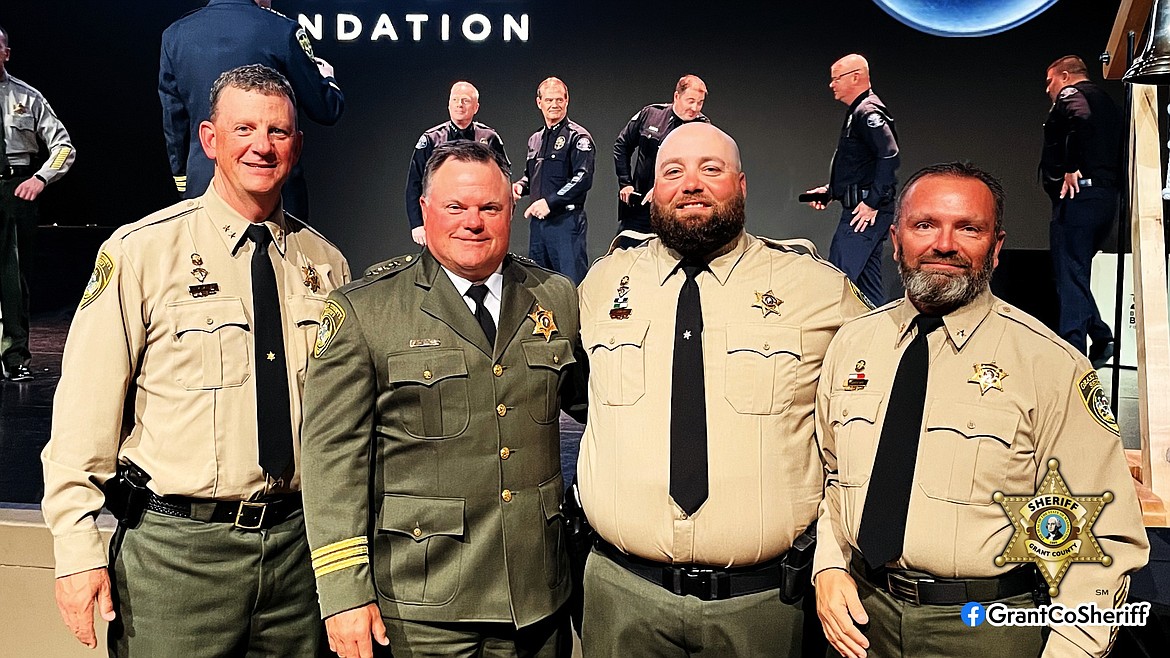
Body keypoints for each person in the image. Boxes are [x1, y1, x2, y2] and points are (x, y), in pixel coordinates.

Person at [42, 64, 351, 655]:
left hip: (298, 558)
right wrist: (76, 551)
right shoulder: (141, 252)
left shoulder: (328, 266)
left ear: (298, 145)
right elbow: (83, 415)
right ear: (209, 140)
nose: (262, 145)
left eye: (278, 132)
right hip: (177, 561)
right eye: (244, 129)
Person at [813, 162, 1148, 658]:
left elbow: (1101, 538)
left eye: (968, 228)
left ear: (995, 247)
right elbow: (834, 477)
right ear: (896, 238)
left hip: (984, 626)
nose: (944, 244)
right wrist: (829, 565)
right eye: (925, 225)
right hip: (862, 619)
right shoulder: (853, 344)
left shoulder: (1051, 366)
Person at [577, 122, 869, 657]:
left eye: (710, 170)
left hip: (762, 605)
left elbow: (865, 432)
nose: (692, 183)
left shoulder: (818, 290)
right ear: (652, 189)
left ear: (742, 185)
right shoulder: (600, 285)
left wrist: (832, 555)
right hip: (623, 598)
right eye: (673, 171)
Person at [302, 140, 586, 658]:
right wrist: (343, 594)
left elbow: (601, 410)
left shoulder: (557, 297)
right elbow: (331, 460)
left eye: (489, 208)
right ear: (426, 211)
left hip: (536, 596)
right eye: (455, 207)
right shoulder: (367, 310)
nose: (472, 222)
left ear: (511, 211)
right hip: (422, 606)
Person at [160, 0, 344, 220]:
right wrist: (328, 78)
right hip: (273, 187)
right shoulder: (282, 31)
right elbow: (326, 109)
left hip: (204, 184)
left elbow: (174, 122)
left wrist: (184, 179)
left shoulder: (175, 35)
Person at [0, 23, 75, 381]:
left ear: (6, 53)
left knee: (14, 279)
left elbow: (63, 147)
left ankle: (15, 357)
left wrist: (40, 178)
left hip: (15, 189)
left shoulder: (26, 97)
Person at [1039, 55, 1122, 367]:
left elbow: (1080, 118)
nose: (1048, 90)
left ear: (1064, 76)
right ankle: (1100, 335)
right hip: (1104, 198)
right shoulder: (1109, 103)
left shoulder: (1072, 94)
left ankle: (1072, 355)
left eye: (1049, 82)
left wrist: (1071, 166)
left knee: (1069, 274)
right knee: (1073, 272)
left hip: (1079, 196)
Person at [805, 54, 899, 306]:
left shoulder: (867, 112)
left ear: (855, 77)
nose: (831, 84)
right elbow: (860, 166)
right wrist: (831, 191)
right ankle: (882, 338)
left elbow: (889, 155)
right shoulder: (856, 112)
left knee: (838, 282)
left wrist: (872, 203)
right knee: (866, 287)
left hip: (863, 213)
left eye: (836, 78)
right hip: (859, 207)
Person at [405, 81, 510, 247]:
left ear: (476, 107)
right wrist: (417, 224)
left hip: (477, 218)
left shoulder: (489, 138)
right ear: (448, 105)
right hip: (442, 218)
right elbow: (414, 183)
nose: (459, 105)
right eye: (455, 100)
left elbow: (504, 181)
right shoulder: (432, 139)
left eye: (465, 100)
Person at [512, 77, 595, 284]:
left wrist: (550, 202)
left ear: (567, 101)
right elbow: (530, 177)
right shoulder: (535, 139)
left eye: (559, 99)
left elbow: (582, 178)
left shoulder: (578, 137)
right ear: (539, 103)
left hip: (565, 224)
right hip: (539, 226)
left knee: (570, 285)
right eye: (549, 100)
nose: (554, 105)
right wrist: (519, 187)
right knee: (539, 286)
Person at [612, 74, 709, 249]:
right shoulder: (651, 114)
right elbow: (622, 145)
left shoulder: (702, 128)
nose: (695, 108)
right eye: (690, 101)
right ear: (677, 96)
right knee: (623, 258)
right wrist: (625, 183)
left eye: (700, 102)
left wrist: (661, 188)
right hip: (639, 207)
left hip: (674, 211)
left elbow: (699, 173)